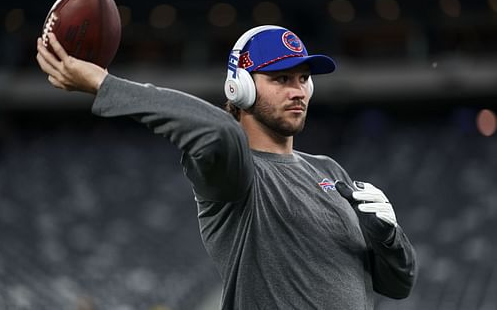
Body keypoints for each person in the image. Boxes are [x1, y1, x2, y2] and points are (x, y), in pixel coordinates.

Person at [36, 25, 416, 309]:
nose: (298, 90)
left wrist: (388, 239)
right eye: (281, 78)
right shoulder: (237, 174)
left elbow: (398, 285)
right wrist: (105, 84)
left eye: (303, 79)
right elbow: (218, 130)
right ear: (240, 88)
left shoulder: (330, 171)